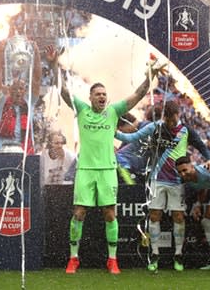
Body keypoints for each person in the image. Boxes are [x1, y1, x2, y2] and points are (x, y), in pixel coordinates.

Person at [49, 46, 163, 275]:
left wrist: (149, 77)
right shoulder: (81, 109)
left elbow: (137, 96)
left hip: (107, 170)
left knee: (110, 213)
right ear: (90, 98)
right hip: (86, 170)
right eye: (97, 94)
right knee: (79, 213)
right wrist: (54, 65)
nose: (101, 96)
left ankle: (112, 259)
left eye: (104, 94)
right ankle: (73, 258)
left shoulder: (113, 111)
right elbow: (63, 91)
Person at [116, 100, 210, 272]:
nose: (170, 124)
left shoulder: (185, 131)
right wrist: (113, 131)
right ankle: (154, 255)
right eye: (167, 120)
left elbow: (201, 146)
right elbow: (130, 137)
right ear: (164, 117)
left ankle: (178, 255)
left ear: (178, 115)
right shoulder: (155, 127)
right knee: (155, 216)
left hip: (177, 181)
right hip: (156, 180)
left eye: (173, 120)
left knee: (178, 217)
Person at [0, 39, 42, 155]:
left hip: (25, 151)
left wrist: (36, 53)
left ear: (25, 90)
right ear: (9, 90)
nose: (17, 92)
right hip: (2, 151)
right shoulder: (1, 101)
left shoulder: (29, 101)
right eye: (14, 89)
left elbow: (37, 79)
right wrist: (0, 52)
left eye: (20, 89)